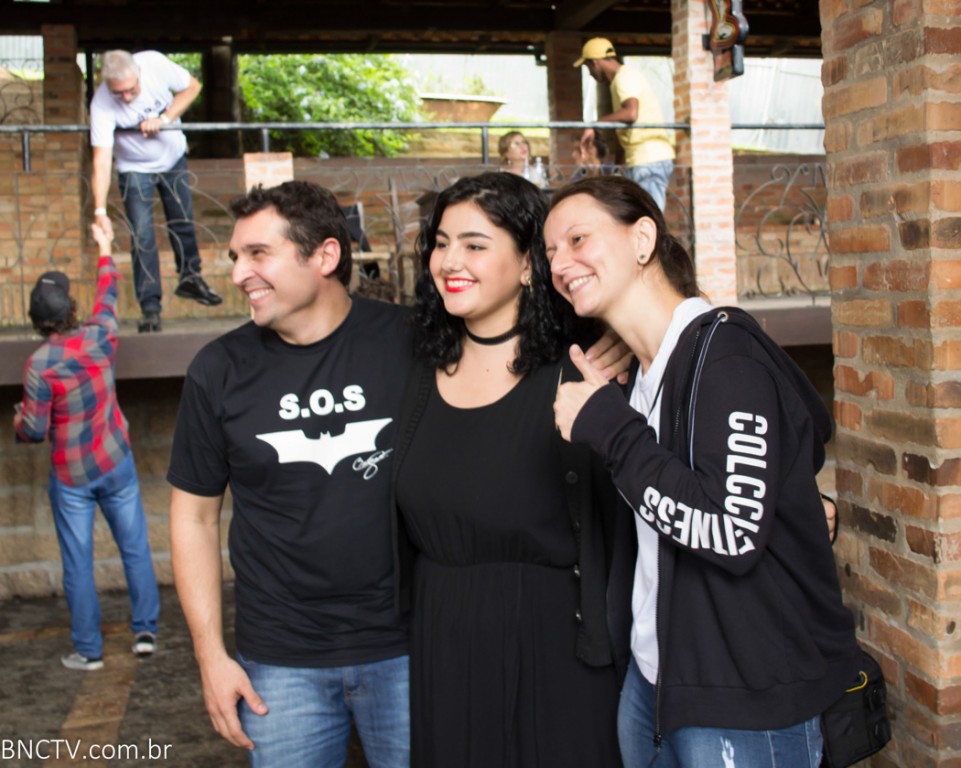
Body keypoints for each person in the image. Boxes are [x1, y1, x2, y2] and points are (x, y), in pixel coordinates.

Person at [544, 176, 860, 767]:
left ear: (642, 240)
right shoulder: (637, 375)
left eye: (578, 239)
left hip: (744, 698)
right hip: (653, 683)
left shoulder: (727, 359)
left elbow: (731, 532)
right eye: (551, 251)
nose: (560, 263)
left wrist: (610, 429)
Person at [167, 181, 412, 768]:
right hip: (279, 660)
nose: (238, 274)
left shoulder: (411, 342)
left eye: (258, 253)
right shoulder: (219, 370)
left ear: (324, 256)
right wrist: (210, 656)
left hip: (407, 645)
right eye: (236, 256)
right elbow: (193, 518)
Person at [393, 171, 627, 768]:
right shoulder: (413, 368)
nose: (450, 261)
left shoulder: (588, 372)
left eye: (475, 244)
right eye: (441, 243)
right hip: (443, 641)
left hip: (558, 647)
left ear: (528, 263)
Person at [14, 223, 160, 671]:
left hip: (71, 476)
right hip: (115, 461)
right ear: (71, 308)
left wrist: (19, 419)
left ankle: (89, 652)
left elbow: (33, 430)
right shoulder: (101, 335)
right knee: (135, 547)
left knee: (78, 563)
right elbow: (109, 291)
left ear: (37, 320)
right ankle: (145, 632)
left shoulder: (39, 365)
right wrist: (104, 246)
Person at [90, 49, 222, 334]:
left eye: (131, 90)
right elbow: (101, 160)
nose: (126, 98)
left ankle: (190, 278)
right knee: (142, 236)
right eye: (119, 93)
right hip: (133, 169)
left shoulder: (154, 64)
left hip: (173, 159)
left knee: (182, 221)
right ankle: (150, 308)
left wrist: (164, 118)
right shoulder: (101, 103)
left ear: (138, 73)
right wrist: (100, 210)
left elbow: (193, 87)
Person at [573, 38, 675, 211]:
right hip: (640, 158)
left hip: (649, 158)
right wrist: (618, 166)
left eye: (589, 67)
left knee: (651, 216)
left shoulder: (624, 77)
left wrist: (594, 124)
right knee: (640, 214)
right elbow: (626, 128)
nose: (590, 73)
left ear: (595, 62)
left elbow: (631, 113)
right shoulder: (621, 80)